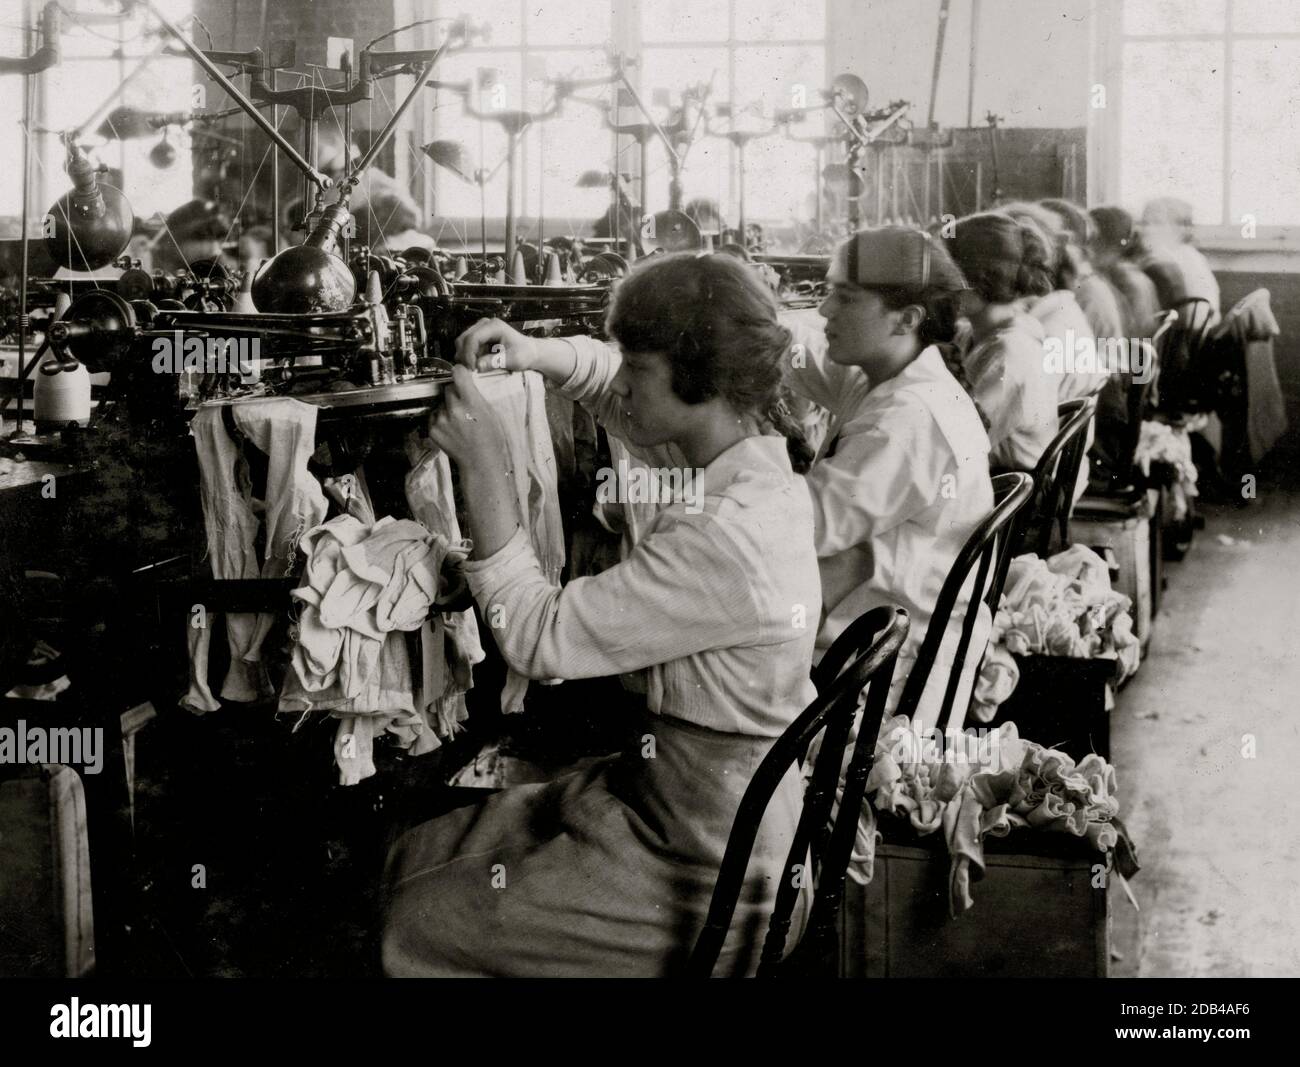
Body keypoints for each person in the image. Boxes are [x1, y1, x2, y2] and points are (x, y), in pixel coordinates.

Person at [383, 253, 822, 977]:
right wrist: (534, 354)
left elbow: (538, 638)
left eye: (637, 366)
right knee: (423, 851)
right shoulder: (747, 462)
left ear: (696, 378)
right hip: (708, 806)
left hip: (709, 866)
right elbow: (625, 399)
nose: (621, 380)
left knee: (418, 915)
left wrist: (485, 463)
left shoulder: (722, 535)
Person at [780, 226, 993, 728]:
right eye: (828, 292)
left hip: (882, 682)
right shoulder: (898, 376)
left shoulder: (905, 420)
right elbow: (797, 353)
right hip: (886, 633)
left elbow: (802, 529)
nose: (824, 311)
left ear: (908, 319)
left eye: (845, 298)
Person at [946, 211, 1059, 472]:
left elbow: (955, 445)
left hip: (1011, 500)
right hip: (991, 479)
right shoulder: (975, 334)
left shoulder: (1008, 355)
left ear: (982, 278)